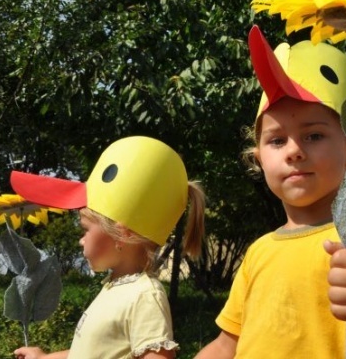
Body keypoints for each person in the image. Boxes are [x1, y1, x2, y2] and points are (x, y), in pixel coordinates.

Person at [194, 26, 346, 359]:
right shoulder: (259, 252)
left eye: (314, 135)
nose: (293, 151)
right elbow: (227, 345)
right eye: (276, 140)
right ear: (258, 158)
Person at [11, 136, 206, 359]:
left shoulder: (144, 295)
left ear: (121, 234)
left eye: (85, 230)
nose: (81, 240)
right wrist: (45, 358)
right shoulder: (116, 287)